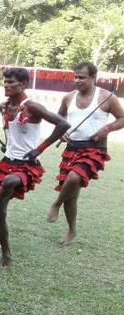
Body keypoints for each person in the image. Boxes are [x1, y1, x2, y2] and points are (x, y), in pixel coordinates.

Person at [0, 68, 69, 266]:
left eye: (11, 82)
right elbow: (12, 131)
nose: (6, 85)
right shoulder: (4, 106)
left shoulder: (32, 106)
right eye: (5, 82)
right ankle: (6, 256)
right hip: (7, 162)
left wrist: (40, 148)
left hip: (27, 165)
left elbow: (63, 124)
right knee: (2, 212)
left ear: (23, 85)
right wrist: (7, 142)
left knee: (9, 183)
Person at [47, 62, 124, 245]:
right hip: (72, 147)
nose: (77, 80)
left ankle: (55, 204)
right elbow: (59, 118)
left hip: (95, 148)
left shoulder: (106, 97)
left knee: (73, 178)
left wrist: (108, 128)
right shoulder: (68, 98)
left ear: (93, 78)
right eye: (76, 77)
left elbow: (122, 118)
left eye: (82, 77)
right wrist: (62, 131)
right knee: (71, 196)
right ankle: (72, 231)